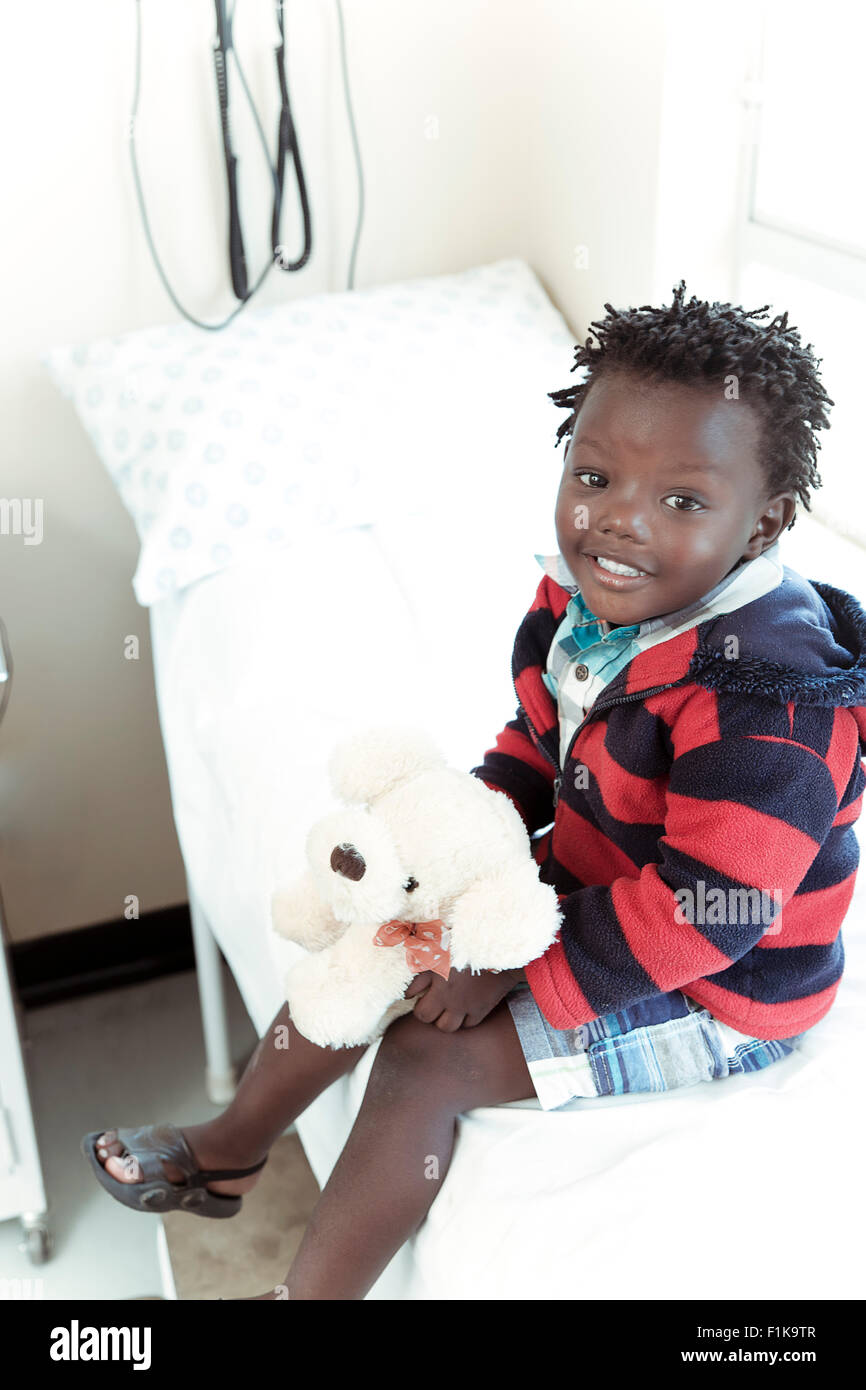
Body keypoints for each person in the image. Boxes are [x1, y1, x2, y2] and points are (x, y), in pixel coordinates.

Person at [83, 283, 866, 1299]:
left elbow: (706, 914)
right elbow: (537, 744)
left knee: (422, 1057)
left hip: (720, 982)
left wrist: (515, 973)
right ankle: (231, 1149)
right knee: (378, 938)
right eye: (593, 475)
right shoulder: (586, 600)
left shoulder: (769, 698)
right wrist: (444, 852)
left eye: (680, 500)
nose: (618, 521)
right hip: (599, 887)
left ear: (763, 523)